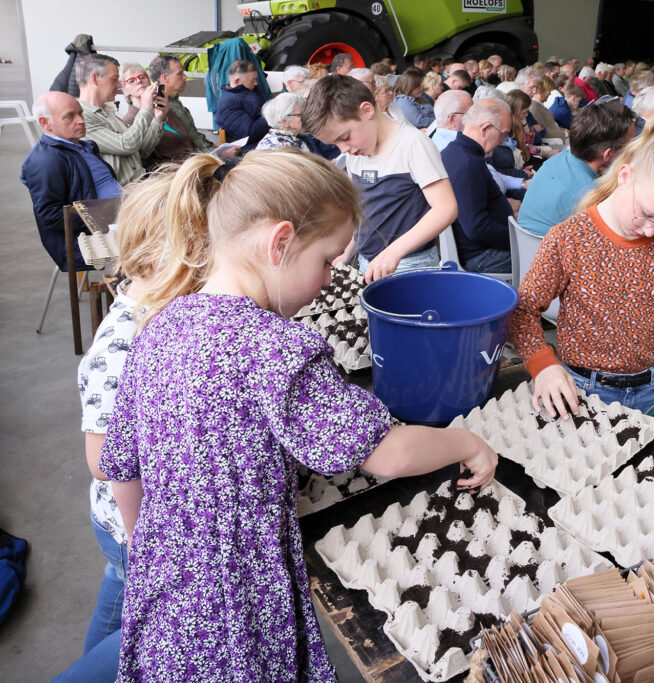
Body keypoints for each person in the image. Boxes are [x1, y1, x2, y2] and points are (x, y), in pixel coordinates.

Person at [97, 148, 497, 680]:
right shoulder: (276, 348)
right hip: (239, 602)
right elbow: (389, 455)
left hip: (164, 584)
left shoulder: (160, 326)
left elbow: (122, 468)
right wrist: (468, 444)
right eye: (328, 261)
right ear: (280, 242)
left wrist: (154, 551)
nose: (332, 278)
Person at [57, 169, 191, 682]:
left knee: (120, 605)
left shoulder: (162, 313)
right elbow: (104, 460)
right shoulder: (122, 344)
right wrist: (143, 538)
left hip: (139, 519)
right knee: (133, 616)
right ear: (167, 257)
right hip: (132, 523)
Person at [508, 112, 654, 415]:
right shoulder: (571, 237)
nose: (651, 231)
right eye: (646, 213)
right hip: (582, 389)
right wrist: (543, 365)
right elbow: (523, 310)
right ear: (625, 176)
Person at [303, 75, 457, 281]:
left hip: (409, 263)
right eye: (335, 144)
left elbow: (445, 208)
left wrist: (394, 252)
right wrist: (347, 251)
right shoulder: (355, 153)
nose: (344, 149)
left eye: (345, 137)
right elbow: (365, 210)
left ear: (366, 110)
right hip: (369, 260)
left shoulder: (412, 144)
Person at [21, 91, 121, 270]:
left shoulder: (81, 146)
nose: (81, 120)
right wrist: (106, 215)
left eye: (80, 113)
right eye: (69, 117)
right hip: (85, 239)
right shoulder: (46, 161)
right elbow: (50, 216)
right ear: (45, 123)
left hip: (118, 220)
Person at [518, 101, 635, 235]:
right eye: (629, 145)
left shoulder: (557, 160)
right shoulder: (593, 194)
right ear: (607, 154)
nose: (631, 151)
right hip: (554, 251)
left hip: (525, 244)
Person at [440, 99, 515, 272]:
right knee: (552, 257)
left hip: (483, 251)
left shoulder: (454, 151)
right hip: (482, 256)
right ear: (485, 129)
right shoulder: (467, 163)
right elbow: (476, 227)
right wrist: (516, 238)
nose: (503, 141)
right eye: (503, 134)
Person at [76, 54, 164, 184]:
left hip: (141, 184)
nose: (118, 85)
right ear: (94, 79)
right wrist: (146, 109)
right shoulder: (81, 117)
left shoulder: (107, 112)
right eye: (114, 79)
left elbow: (141, 151)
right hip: (122, 194)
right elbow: (127, 145)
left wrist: (158, 117)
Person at [216, 59, 270, 144]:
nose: (256, 83)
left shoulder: (247, 92)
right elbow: (248, 134)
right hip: (248, 148)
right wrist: (272, 115)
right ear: (237, 81)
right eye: (252, 80)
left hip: (264, 140)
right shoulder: (227, 103)